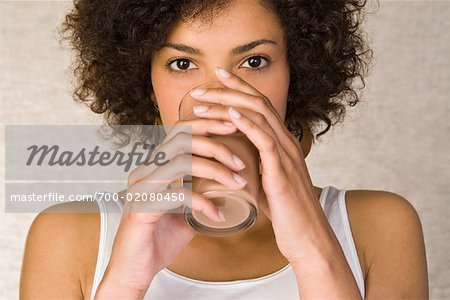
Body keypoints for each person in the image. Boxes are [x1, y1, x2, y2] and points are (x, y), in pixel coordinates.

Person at [20, 0, 428, 299]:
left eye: (253, 61)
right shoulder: (68, 236)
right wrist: (126, 279)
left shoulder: (379, 226)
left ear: (295, 74)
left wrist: (313, 251)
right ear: (148, 85)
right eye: (183, 64)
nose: (218, 95)